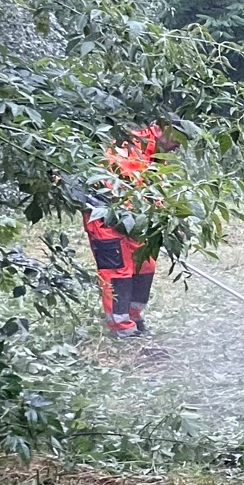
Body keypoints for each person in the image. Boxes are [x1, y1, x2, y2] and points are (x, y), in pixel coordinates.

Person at [85, 124, 172, 338]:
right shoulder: (127, 144)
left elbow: (153, 189)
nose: (179, 146)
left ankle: (133, 316)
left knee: (145, 264)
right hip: (105, 218)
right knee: (118, 271)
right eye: (179, 139)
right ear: (165, 130)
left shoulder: (155, 152)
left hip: (138, 220)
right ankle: (121, 326)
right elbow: (115, 188)